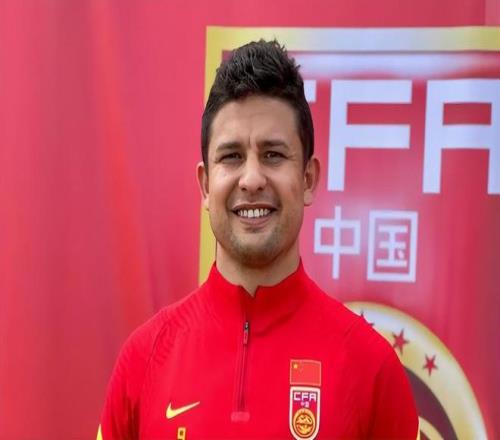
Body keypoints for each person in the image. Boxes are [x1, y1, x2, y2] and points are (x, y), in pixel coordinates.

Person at [98, 40, 418, 440]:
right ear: (205, 184)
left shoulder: (372, 370)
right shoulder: (143, 360)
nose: (251, 179)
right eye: (231, 156)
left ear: (308, 179)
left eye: (273, 155)